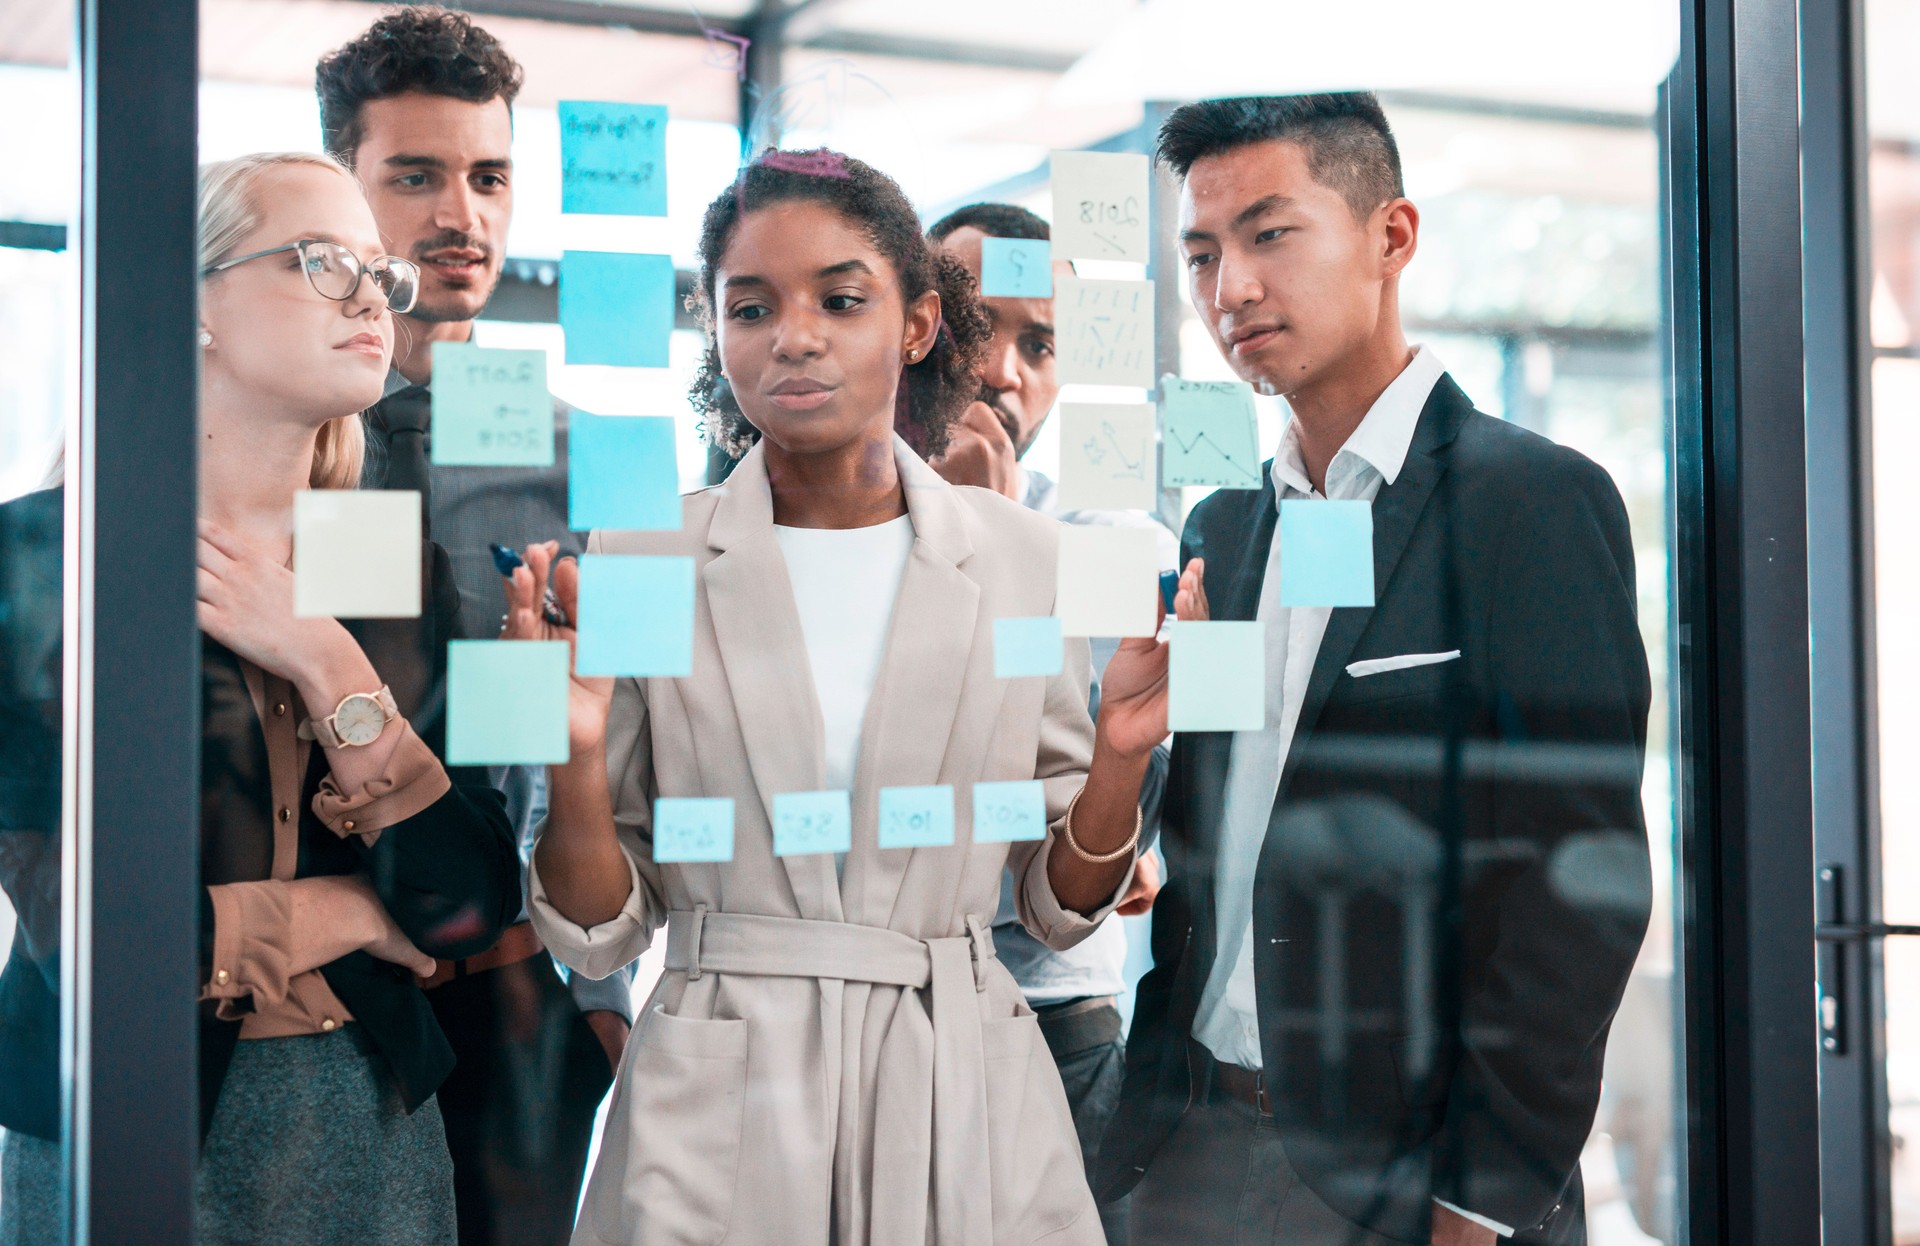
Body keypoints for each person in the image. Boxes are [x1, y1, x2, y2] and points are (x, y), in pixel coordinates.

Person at [510, 148, 1183, 1246]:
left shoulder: (1024, 559)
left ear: (917, 324)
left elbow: (1058, 907)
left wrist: (1117, 765)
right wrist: (575, 761)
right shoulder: (643, 555)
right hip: (716, 1074)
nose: (796, 335)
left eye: (840, 297)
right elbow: (596, 935)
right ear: (717, 331)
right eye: (751, 305)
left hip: (957, 1066)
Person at [1095, 94, 1653, 1246]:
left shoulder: (1529, 502)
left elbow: (1574, 897)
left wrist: (1476, 1202)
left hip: (1409, 1174)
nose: (1228, 290)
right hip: (1189, 1139)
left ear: (1391, 236)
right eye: (1200, 255)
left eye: (1268, 234)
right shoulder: (1226, 530)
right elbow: (1201, 848)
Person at [0, 151, 522, 1246]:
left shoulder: (381, 557)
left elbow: (470, 903)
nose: (373, 296)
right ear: (189, 303)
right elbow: (94, 943)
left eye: (379, 272)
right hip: (121, 1127)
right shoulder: (39, 554)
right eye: (324, 262)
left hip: (371, 1122)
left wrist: (326, 661)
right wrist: (357, 912)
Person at [316, 12, 633, 1241]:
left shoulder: (572, 457)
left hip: (508, 1007)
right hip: (300, 1006)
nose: (464, 213)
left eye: (489, 175)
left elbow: (604, 730)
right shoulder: (271, 436)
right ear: (338, 190)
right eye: (416, 175)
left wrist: (597, 1003)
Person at [927, 201, 1174, 1246]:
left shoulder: (1116, 539)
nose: (1001, 369)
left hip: (1054, 1022)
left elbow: (1094, 841)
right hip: (869, 1013)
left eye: (1041, 343)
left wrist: (1000, 531)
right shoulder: (820, 529)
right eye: (974, 327)